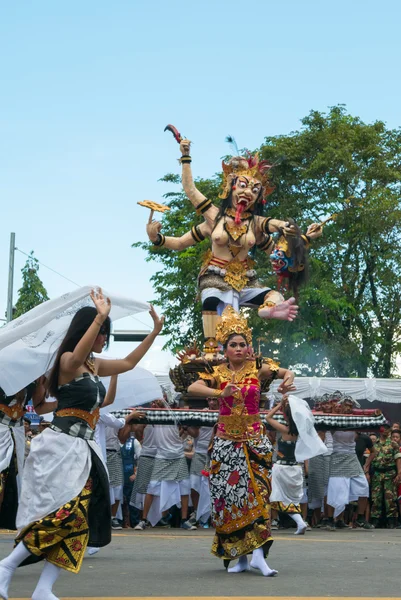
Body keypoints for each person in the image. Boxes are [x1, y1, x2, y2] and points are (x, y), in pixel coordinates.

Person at [0, 289, 163, 600]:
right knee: (63, 513)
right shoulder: (68, 362)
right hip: (61, 448)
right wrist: (99, 315)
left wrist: (154, 331)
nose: (104, 338)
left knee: (79, 517)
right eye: (102, 332)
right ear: (87, 330)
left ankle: (44, 588)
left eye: (106, 333)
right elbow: (77, 354)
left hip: (83, 450)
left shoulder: (94, 366)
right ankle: (7, 566)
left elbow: (128, 362)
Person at [145, 135, 324, 350]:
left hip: (245, 279)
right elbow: (183, 231)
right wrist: (157, 238)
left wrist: (303, 238)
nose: (248, 192)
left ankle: (267, 310)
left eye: (255, 190)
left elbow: (277, 251)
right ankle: (211, 348)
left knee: (273, 294)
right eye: (244, 185)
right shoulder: (213, 217)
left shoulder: (256, 224)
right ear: (231, 186)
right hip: (215, 276)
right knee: (210, 300)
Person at [187, 306, 296, 576]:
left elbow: (287, 372)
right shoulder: (218, 371)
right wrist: (219, 391)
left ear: (249, 348)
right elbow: (192, 388)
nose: (238, 348)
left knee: (257, 497)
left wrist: (286, 382)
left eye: (242, 344)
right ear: (225, 349)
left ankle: (258, 554)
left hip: (254, 443)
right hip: (225, 445)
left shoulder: (258, 368)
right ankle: (242, 558)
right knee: (230, 501)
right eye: (232, 344)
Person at [0, 382, 47, 531]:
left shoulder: (31, 375)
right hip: (1, 426)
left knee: (12, 473)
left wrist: (41, 380)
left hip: (16, 429)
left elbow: (38, 403)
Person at [266, 398, 309, 535]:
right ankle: (300, 521)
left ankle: (298, 522)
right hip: (296, 469)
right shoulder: (302, 431)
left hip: (282, 468)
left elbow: (268, 417)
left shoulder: (285, 430)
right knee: (292, 499)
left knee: (276, 497)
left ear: (286, 415)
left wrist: (279, 405)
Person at [326, 430, 371, 530]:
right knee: (334, 489)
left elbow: (355, 436)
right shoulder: (333, 423)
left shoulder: (353, 422)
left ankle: (360, 518)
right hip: (336, 457)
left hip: (351, 456)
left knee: (364, 487)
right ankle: (330, 519)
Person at [364, 424, 401, 528]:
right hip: (376, 473)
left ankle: (392, 520)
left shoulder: (393, 444)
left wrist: (399, 473)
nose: (384, 431)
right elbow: (369, 459)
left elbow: (398, 459)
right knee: (376, 498)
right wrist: (366, 471)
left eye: (386, 429)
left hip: (389, 473)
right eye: (382, 429)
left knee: (390, 498)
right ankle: (375, 520)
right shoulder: (374, 444)